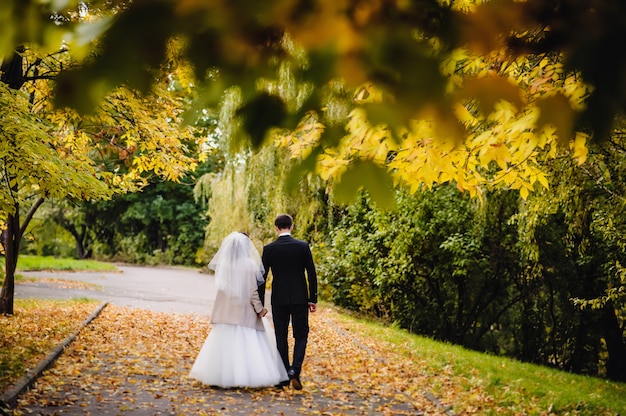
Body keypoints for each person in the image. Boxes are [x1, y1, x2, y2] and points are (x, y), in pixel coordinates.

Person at [189, 231, 287, 388]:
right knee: (246, 344)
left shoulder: (225, 264)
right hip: (244, 312)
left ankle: (219, 378)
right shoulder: (249, 264)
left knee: (223, 345)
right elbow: (252, 291)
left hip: (226, 311)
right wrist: (260, 308)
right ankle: (244, 378)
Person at [261, 214, 317, 390]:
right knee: (301, 334)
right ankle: (295, 370)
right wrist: (312, 298)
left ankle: (283, 376)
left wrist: (261, 304)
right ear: (291, 227)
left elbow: (262, 278)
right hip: (300, 297)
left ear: (276, 228)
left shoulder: (269, 249)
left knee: (281, 336)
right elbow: (311, 273)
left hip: (278, 298)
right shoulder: (302, 246)